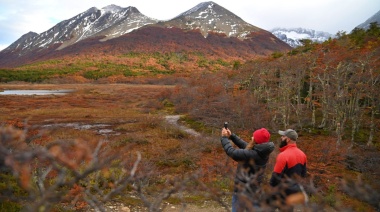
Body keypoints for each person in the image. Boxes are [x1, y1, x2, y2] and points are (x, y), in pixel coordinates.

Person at [221, 127, 275, 212]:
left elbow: (231, 152)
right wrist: (232, 136)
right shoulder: (263, 151)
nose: (252, 137)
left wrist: (224, 137)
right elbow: (246, 145)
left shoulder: (253, 155)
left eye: (254, 137)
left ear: (257, 141)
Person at [269, 129, 307, 209]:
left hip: (281, 192)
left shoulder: (283, 155)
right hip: (293, 193)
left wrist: (269, 189)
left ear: (288, 139)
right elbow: (303, 175)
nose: (281, 138)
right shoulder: (302, 155)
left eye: (283, 136)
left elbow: (275, 177)